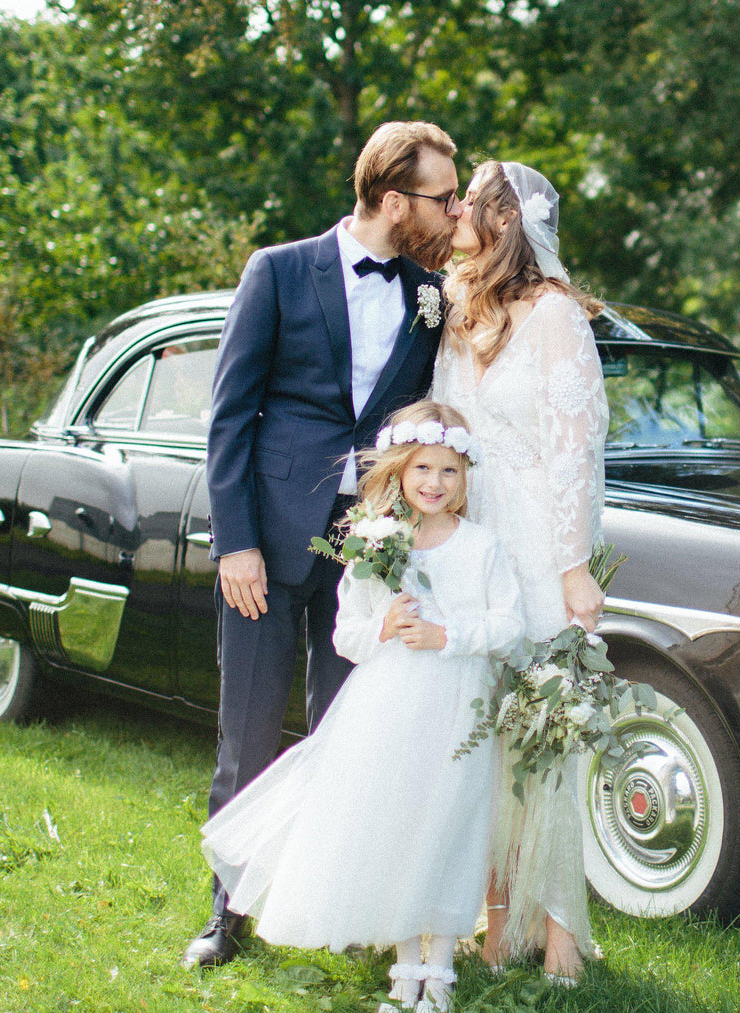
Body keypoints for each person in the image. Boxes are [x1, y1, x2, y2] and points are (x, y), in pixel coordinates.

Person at [186, 121, 465, 969]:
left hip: (370, 549)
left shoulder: (432, 294)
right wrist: (235, 543)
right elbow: (230, 417)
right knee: (249, 729)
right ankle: (226, 915)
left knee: (349, 731)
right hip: (267, 544)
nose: (452, 212)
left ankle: (339, 904)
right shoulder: (277, 270)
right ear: (391, 199)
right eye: (441, 197)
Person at [199, 401, 525, 1013]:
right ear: (400, 471)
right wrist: (385, 627)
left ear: (466, 478)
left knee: (448, 820)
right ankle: (405, 961)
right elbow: (345, 634)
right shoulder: (378, 543)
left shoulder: (481, 548)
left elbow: (509, 625)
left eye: (450, 471)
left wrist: (447, 634)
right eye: (424, 468)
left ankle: (443, 961)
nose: (435, 482)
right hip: (390, 707)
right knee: (398, 820)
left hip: (457, 707)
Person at [430, 160, 608, 984]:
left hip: (537, 542)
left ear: (504, 222)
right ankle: (497, 926)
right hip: (474, 544)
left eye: (470, 197)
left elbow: (576, 450)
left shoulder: (557, 318)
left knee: (547, 733)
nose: (457, 206)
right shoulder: (464, 310)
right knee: (488, 736)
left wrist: (574, 568)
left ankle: (563, 933)